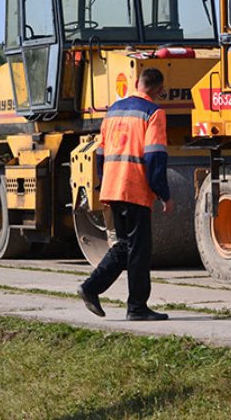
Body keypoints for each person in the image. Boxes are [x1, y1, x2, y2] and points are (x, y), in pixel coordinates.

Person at [77, 67, 173, 321]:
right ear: (160, 90)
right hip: (134, 188)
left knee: (124, 246)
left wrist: (103, 180)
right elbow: (155, 156)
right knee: (139, 250)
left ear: (136, 83)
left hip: (112, 187)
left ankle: (91, 287)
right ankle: (137, 307)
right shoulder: (154, 113)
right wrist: (164, 193)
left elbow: (100, 153)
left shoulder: (114, 111)